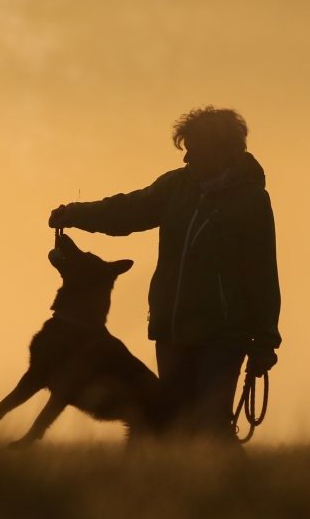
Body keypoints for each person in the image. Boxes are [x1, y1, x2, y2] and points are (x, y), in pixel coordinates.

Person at [48, 106, 280, 443]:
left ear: (221, 150)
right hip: (172, 327)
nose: (186, 158)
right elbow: (129, 211)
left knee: (212, 425)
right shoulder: (177, 187)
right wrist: (76, 214)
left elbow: (262, 272)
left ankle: (230, 489)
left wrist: (265, 342)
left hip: (224, 334)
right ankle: (182, 488)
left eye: (194, 148)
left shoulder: (251, 201)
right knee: (172, 423)